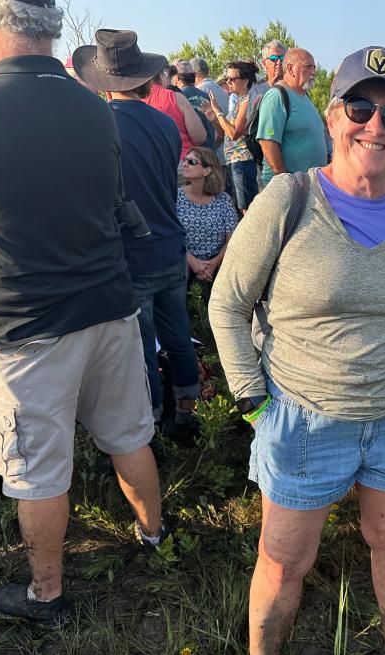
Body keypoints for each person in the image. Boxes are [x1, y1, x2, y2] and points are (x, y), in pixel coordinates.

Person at [210, 45, 385, 655]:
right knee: (283, 559)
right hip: (303, 419)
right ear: (333, 115)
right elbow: (225, 304)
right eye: (361, 108)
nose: (377, 126)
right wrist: (255, 406)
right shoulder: (290, 198)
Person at [0, 3, 168, 627]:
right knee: (129, 434)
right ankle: (156, 536)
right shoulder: (93, 107)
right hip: (108, 304)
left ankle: (46, 594)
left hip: (27, 326)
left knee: (38, 470)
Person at [74, 29, 202, 442]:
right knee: (179, 336)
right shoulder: (165, 124)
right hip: (169, 245)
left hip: (132, 253)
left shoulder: (99, 125)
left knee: (141, 347)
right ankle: (186, 413)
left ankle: (148, 425)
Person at [256, 47, 327, 186]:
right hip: (286, 190)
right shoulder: (276, 96)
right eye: (308, 67)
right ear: (290, 68)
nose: (313, 72)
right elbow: (268, 142)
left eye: (314, 67)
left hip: (309, 187)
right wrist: (287, 181)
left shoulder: (304, 96)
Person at [178, 146, 239, 302]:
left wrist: (214, 262)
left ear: (206, 170)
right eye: (185, 160)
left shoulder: (223, 199)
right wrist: (192, 261)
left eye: (191, 161)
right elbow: (170, 235)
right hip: (183, 260)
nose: (184, 164)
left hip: (217, 263)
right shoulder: (175, 197)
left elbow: (233, 239)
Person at [211, 60, 260, 213]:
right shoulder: (239, 102)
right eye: (227, 79)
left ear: (245, 81)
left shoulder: (247, 101)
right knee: (239, 207)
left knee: (246, 209)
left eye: (232, 79)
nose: (228, 82)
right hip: (235, 161)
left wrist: (218, 112)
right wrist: (214, 118)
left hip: (243, 161)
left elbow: (234, 133)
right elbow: (227, 132)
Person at [143, 61, 207, 164]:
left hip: (152, 165)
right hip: (182, 162)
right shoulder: (175, 97)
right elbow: (200, 137)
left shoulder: (135, 101)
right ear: (162, 75)